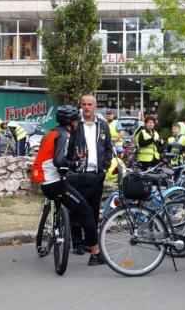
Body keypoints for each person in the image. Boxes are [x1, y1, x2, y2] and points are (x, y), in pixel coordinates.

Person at [31, 105, 103, 265]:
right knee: (88, 213)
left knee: (91, 179)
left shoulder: (53, 132)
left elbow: (53, 157)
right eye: (77, 120)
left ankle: (75, 207)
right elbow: (59, 162)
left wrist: (72, 162)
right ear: (72, 122)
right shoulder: (64, 135)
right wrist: (75, 163)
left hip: (49, 181)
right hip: (55, 184)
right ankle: (95, 254)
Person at [68, 94, 112, 255]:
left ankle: (89, 242)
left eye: (90, 104)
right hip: (79, 174)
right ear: (81, 106)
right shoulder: (75, 124)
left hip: (96, 174)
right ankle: (77, 243)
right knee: (76, 208)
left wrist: (105, 168)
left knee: (93, 210)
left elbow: (108, 148)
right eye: (84, 104)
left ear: (95, 107)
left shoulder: (103, 125)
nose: (87, 107)